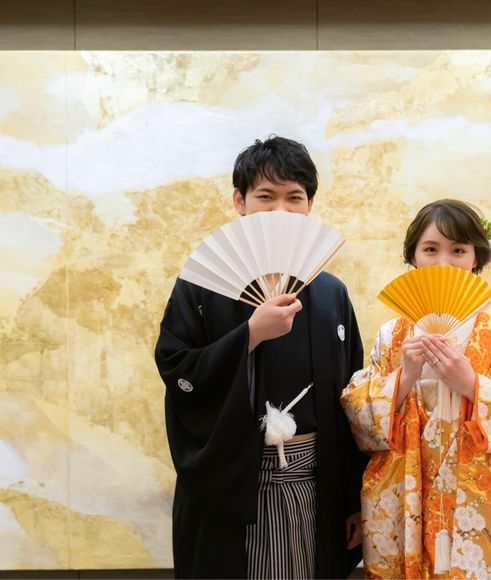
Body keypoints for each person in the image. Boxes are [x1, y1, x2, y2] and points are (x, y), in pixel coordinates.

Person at [155, 136, 366, 579]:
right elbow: (177, 369)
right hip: (232, 482)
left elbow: (351, 401)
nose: (281, 211)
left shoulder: (331, 293)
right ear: (240, 201)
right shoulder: (201, 286)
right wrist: (249, 335)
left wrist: (353, 498)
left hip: (315, 483)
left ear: (310, 204)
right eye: (266, 197)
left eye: (295, 198)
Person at [341, 199, 491, 579]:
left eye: (458, 250)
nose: (444, 262)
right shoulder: (393, 334)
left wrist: (474, 386)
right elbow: (357, 415)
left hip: (485, 509)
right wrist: (403, 378)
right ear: (412, 256)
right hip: (411, 499)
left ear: (477, 256)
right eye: (431, 249)